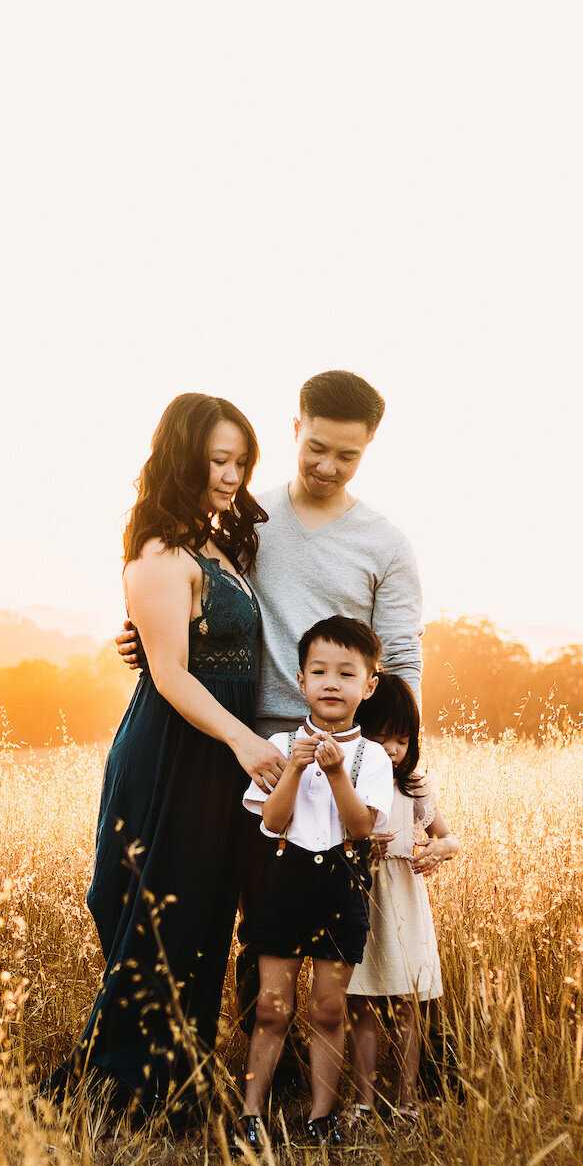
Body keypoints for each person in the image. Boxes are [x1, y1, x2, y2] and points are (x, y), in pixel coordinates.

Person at [117, 371, 424, 1077]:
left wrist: (400, 767)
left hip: (344, 755)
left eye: (347, 456)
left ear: (367, 450)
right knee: (257, 919)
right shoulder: (247, 518)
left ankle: (344, 1079)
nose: (327, 466)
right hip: (249, 750)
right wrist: (142, 640)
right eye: (316, 447)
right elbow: (196, 597)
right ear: (294, 429)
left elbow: (402, 659)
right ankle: (263, 1072)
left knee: (344, 926)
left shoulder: (385, 544)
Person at [42, 393, 285, 1128]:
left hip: (213, 753)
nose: (231, 476)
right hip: (175, 750)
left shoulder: (216, 543)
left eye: (241, 463)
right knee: (161, 915)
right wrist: (243, 739)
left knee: (204, 914)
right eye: (218, 461)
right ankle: (125, 1087)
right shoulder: (157, 553)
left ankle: (181, 1076)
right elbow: (172, 674)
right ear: (183, 458)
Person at [235, 616, 395, 1148]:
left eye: (347, 674)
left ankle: (321, 1115)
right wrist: (296, 769)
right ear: (301, 680)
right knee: (271, 1006)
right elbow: (272, 821)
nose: (332, 684)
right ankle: (251, 1114)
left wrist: (336, 773)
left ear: (368, 686)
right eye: (320, 672)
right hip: (285, 880)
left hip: (343, 884)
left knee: (327, 1008)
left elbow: (361, 828)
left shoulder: (373, 757)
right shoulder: (281, 743)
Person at [346, 675, 458, 1126]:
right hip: (359, 899)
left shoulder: (414, 786)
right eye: (380, 738)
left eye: (402, 740)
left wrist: (439, 849)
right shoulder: (349, 781)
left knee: (407, 1004)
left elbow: (449, 838)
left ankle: (406, 1101)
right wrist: (357, 845)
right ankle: (362, 1102)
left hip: (405, 903)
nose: (391, 750)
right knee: (360, 1004)